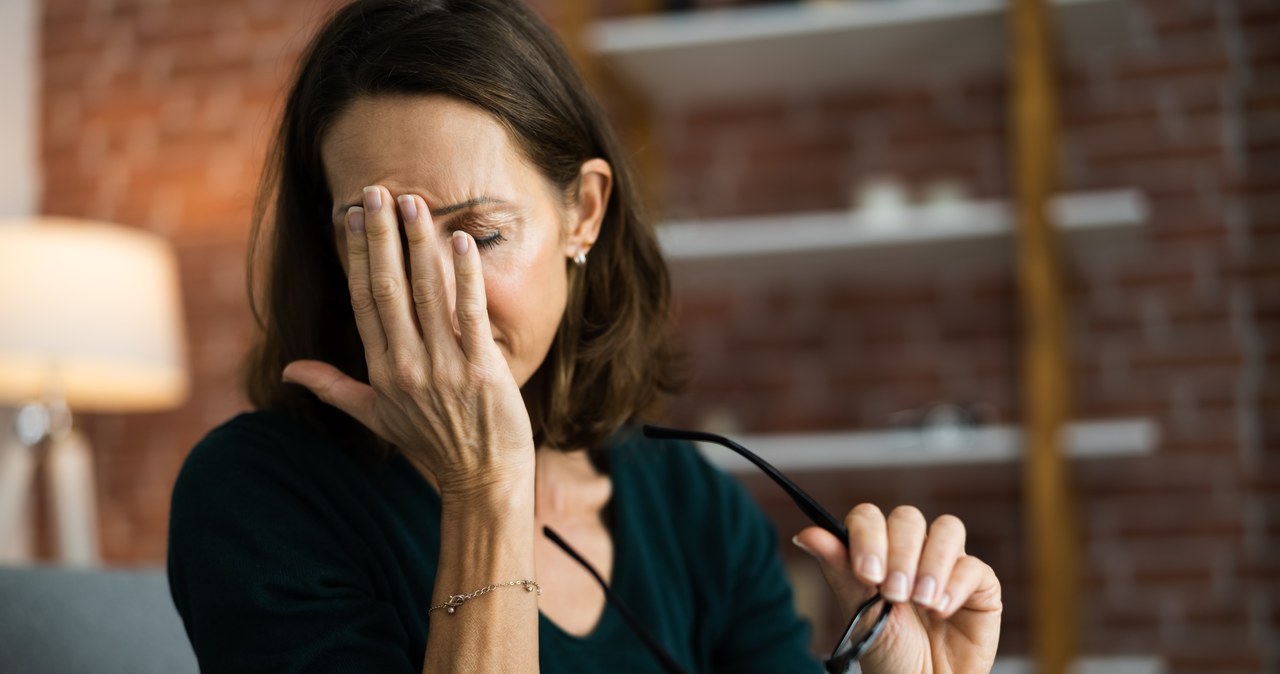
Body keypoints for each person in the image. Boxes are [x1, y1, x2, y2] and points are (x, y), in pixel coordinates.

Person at [166, 0, 1003, 671]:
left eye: (478, 237)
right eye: (379, 240)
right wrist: (486, 489)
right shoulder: (255, 496)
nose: (437, 298)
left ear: (584, 212)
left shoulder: (696, 508)